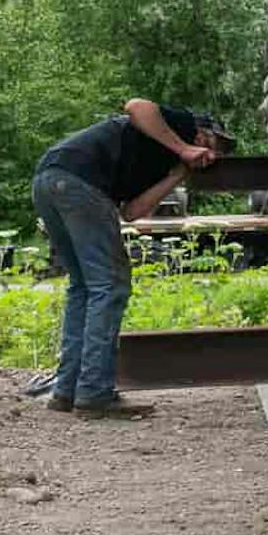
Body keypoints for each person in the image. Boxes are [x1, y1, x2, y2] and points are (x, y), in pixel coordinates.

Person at [30, 98, 229, 417]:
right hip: (79, 181)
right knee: (110, 287)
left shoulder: (159, 160)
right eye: (214, 145)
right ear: (202, 133)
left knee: (84, 286)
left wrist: (179, 172)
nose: (213, 154)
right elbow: (136, 106)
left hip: (51, 180)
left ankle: (67, 390)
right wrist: (184, 149)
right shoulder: (181, 123)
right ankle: (94, 393)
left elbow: (132, 212)